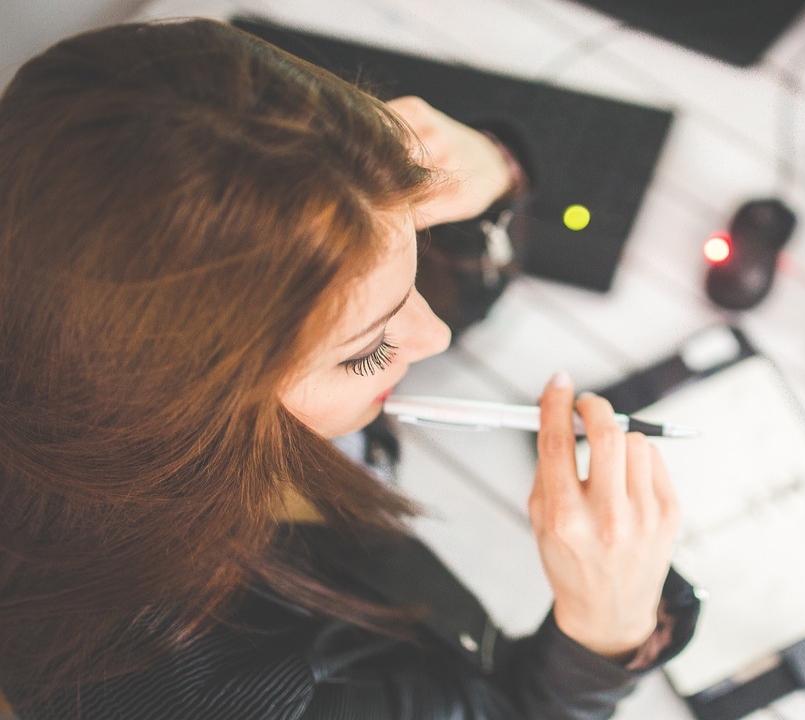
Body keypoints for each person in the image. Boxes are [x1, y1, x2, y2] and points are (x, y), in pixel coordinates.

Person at [0, 18, 697, 720]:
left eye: (412, 260)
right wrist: (603, 634)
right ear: (191, 404)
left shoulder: (63, 310)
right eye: (366, 350)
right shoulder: (230, 695)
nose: (434, 335)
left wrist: (491, 168)